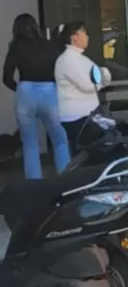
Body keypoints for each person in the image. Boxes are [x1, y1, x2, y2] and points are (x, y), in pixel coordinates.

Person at [2, 14, 70, 179]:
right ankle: (67, 176)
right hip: (49, 91)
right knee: (59, 138)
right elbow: (60, 70)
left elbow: (6, 77)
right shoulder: (49, 46)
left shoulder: (16, 47)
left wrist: (19, 89)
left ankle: (34, 182)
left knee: (29, 142)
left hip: (25, 92)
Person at [54, 21, 110, 155]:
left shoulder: (81, 59)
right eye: (84, 33)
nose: (88, 36)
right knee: (86, 156)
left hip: (89, 116)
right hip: (77, 117)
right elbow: (88, 85)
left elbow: (99, 76)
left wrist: (101, 79)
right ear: (74, 37)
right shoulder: (67, 60)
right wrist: (101, 81)